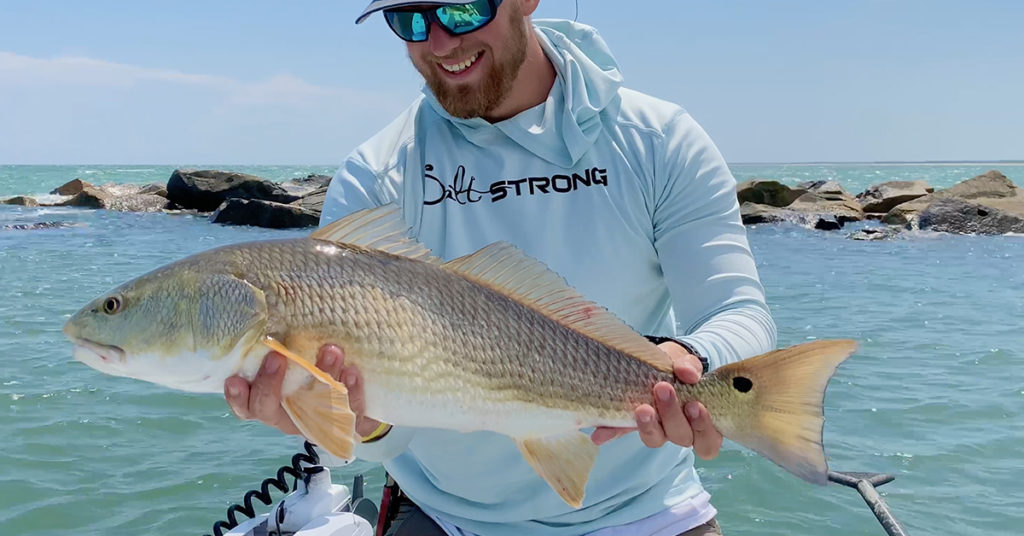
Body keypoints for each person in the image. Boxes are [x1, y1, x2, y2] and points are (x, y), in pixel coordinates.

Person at [224, 1, 777, 535]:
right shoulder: (375, 178)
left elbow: (738, 312)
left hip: (651, 513)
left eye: (464, 9)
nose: (440, 42)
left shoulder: (659, 141)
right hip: (448, 516)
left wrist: (695, 362)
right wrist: (354, 420)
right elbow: (384, 435)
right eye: (409, 18)